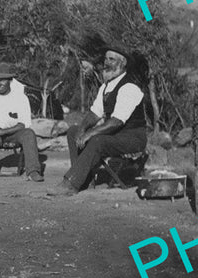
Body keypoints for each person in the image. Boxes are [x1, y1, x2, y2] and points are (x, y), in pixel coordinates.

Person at [49, 45, 147, 197]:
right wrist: (82, 129)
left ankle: (71, 183)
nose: (106, 63)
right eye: (106, 59)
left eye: (112, 59)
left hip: (132, 137)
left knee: (97, 140)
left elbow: (116, 121)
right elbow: (95, 113)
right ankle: (85, 180)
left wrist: (90, 134)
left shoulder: (129, 87)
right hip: (115, 135)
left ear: (122, 64)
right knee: (73, 131)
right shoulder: (106, 87)